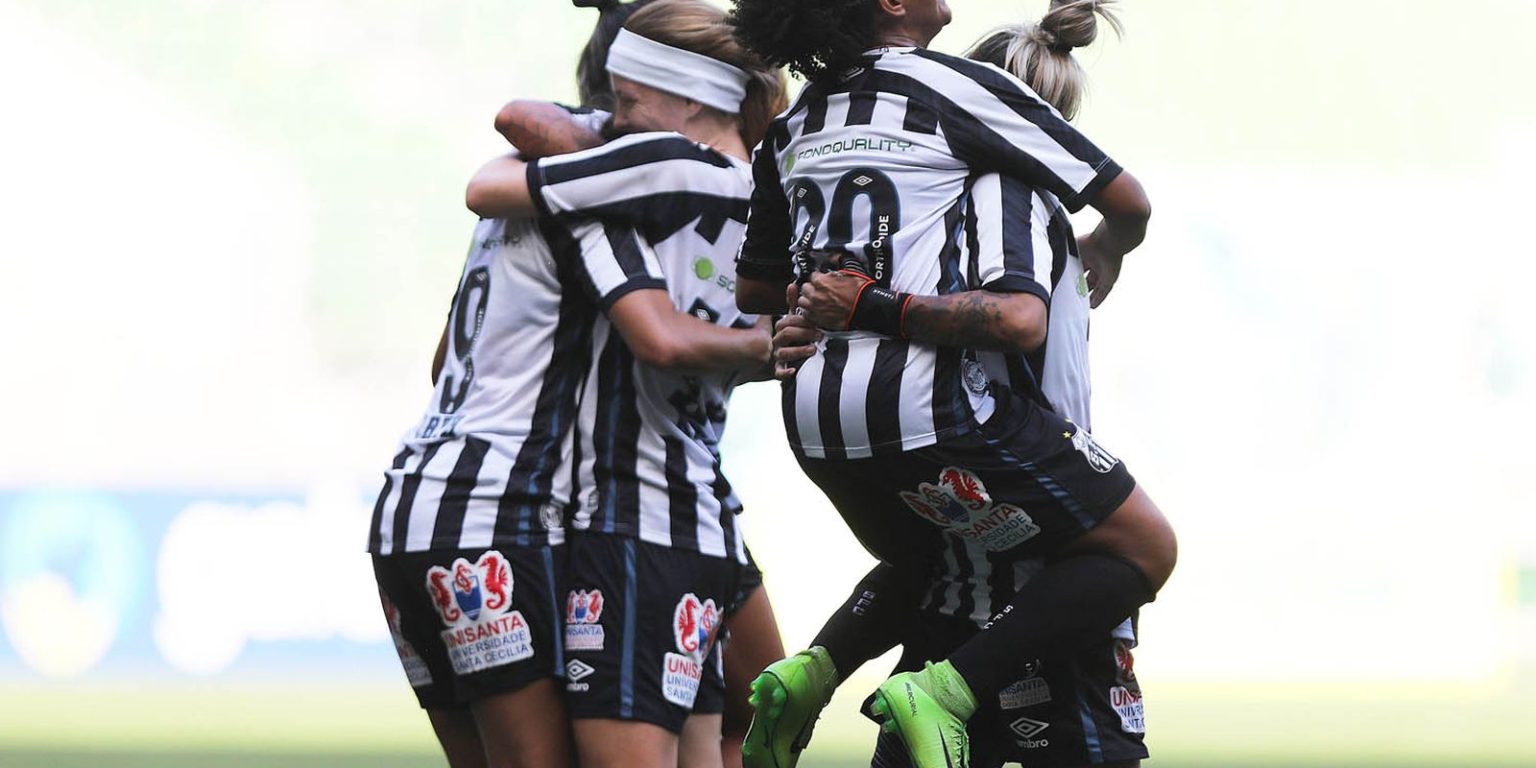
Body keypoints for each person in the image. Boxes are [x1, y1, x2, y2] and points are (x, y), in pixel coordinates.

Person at [727, 0, 1177, 766]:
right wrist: (1111, 243)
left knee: (935, 555)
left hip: (824, 420)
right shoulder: (1003, 176)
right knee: (1138, 547)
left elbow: (758, 292)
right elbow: (1022, 319)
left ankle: (823, 668)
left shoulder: (802, 124)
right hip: (974, 475)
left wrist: (817, 307)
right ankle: (942, 689)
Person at [462, 2, 788, 765]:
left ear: (691, 99)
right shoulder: (775, 197)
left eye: (628, 101)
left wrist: (584, 139)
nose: (614, 118)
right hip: (700, 506)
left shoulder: (655, 165)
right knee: (736, 724)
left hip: (631, 515)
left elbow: (491, 176)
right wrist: (763, 346)